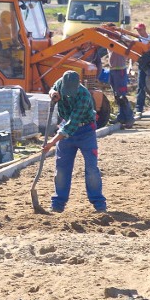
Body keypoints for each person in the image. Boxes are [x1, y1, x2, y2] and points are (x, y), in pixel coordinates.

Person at [43, 70, 106, 213]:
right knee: (61, 169)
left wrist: (51, 143)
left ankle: (99, 204)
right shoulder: (60, 84)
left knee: (91, 169)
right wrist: (52, 93)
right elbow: (53, 88)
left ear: (78, 86)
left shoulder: (84, 97)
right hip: (65, 128)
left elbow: (71, 125)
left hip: (85, 131)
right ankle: (57, 204)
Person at [108, 45, 135, 128]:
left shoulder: (119, 41)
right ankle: (121, 117)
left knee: (121, 96)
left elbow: (130, 51)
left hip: (120, 70)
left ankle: (129, 118)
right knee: (116, 95)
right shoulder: (107, 41)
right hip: (112, 69)